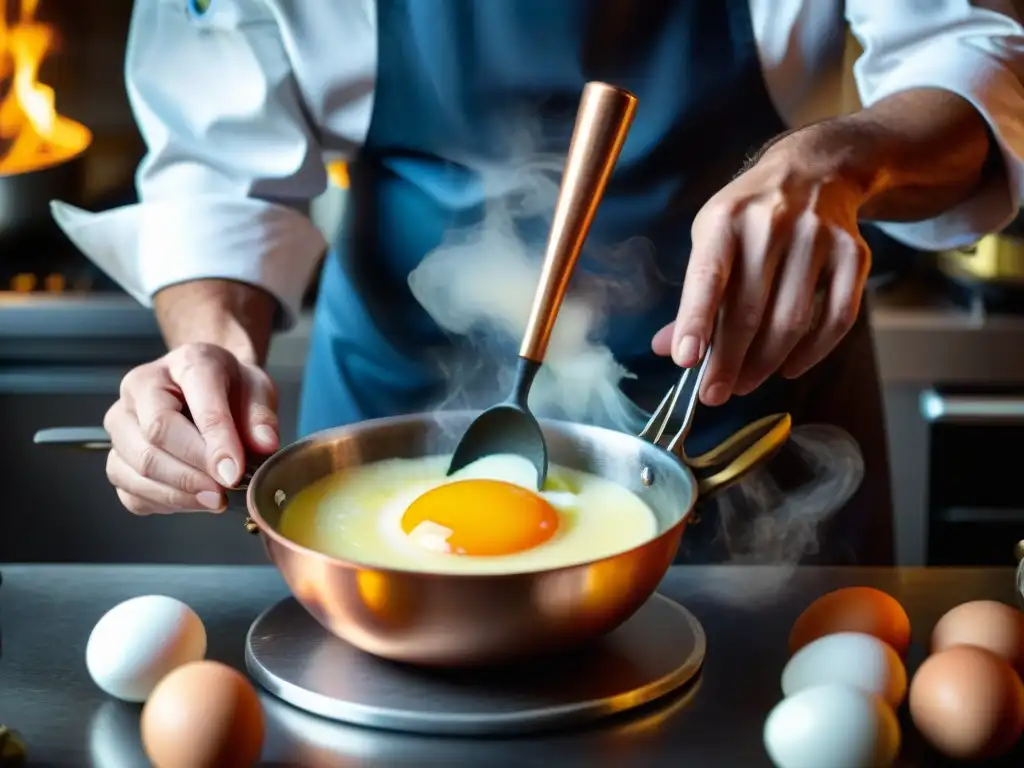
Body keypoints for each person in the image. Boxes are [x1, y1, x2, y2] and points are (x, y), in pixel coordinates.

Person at [56, 0, 1024, 565]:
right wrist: (210, 357)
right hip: (392, 401)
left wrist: (843, 159)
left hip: (753, 407)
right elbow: (219, 167)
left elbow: (974, 56)